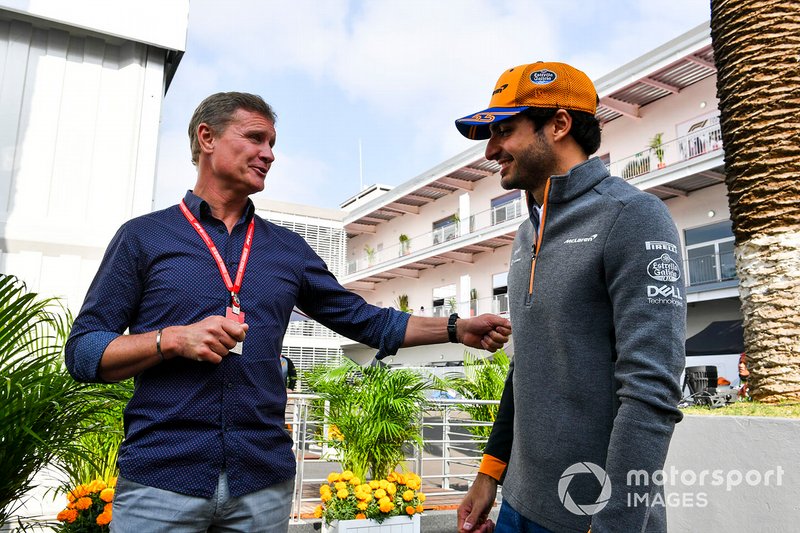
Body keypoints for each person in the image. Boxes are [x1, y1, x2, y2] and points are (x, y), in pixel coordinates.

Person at [65, 92, 511, 533]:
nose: (269, 154)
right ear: (207, 137)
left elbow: (367, 320)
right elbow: (84, 352)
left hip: (261, 487)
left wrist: (456, 327)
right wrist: (171, 340)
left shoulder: (287, 250)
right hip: (161, 486)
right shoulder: (144, 237)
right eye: (256, 138)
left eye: (273, 143)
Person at [453, 63, 686, 533]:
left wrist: (615, 522)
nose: (491, 149)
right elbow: (527, 366)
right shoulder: (524, 235)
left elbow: (651, 392)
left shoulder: (634, 216)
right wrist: (489, 473)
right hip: (518, 505)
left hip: (591, 517)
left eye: (504, 130)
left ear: (559, 125)